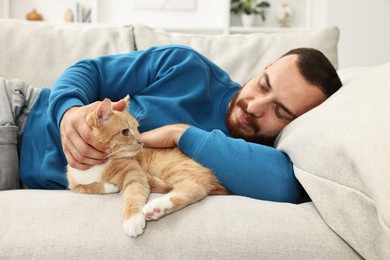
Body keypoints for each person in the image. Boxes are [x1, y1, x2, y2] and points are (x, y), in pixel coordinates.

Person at [0, 45, 342, 203]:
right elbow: (90, 71)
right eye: (263, 85)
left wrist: (180, 133)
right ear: (263, 67)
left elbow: (284, 186)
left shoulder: (252, 156)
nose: (254, 106)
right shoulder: (187, 66)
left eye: (280, 112)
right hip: (19, 113)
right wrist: (68, 113)